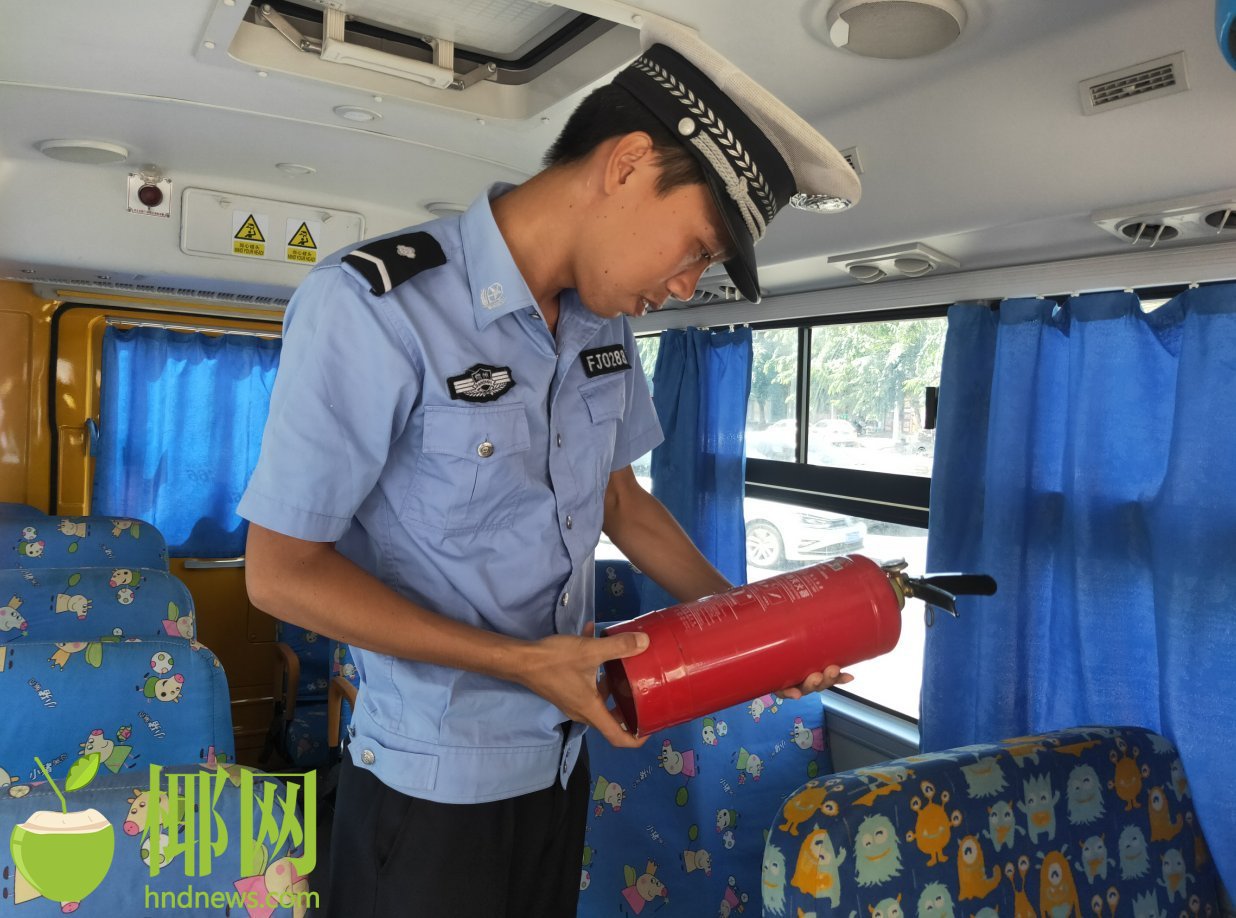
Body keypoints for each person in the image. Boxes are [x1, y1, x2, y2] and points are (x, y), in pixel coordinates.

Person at [238, 19, 861, 918]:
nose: (687, 285)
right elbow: (280, 572)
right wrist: (523, 663)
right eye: (697, 247)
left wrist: (758, 635)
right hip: (431, 785)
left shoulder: (603, 322)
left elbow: (620, 501)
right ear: (627, 164)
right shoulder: (376, 307)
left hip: (560, 764)